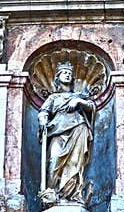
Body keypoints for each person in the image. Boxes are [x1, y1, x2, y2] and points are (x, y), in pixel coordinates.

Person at [37, 62, 96, 204]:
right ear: (57, 78)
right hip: (57, 131)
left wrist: (79, 102)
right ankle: (53, 194)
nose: (68, 74)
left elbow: (91, 107)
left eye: (69, 73)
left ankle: (73, 196)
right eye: (64, 72)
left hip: (78, 128)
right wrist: (43, 120)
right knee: (54, 160)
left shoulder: (79, 96)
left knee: (75, 162)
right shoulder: (53, 98)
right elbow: (43, 112)